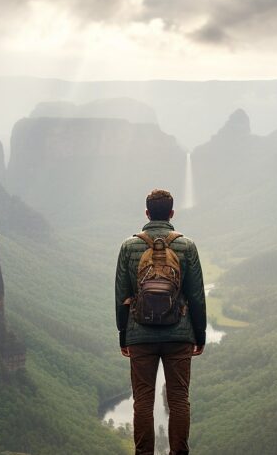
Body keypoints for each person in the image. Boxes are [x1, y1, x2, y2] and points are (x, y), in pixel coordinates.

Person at [115, 189, 207, 455]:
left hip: (139, 335)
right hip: (179, 335)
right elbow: (197, 296)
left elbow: (122, 295)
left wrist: (124, 335)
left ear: (147, 213)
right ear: (171, 213)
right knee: (179, 400)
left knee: (142, 400)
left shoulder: (129, 247)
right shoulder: (186, 246)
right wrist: (199, 335)